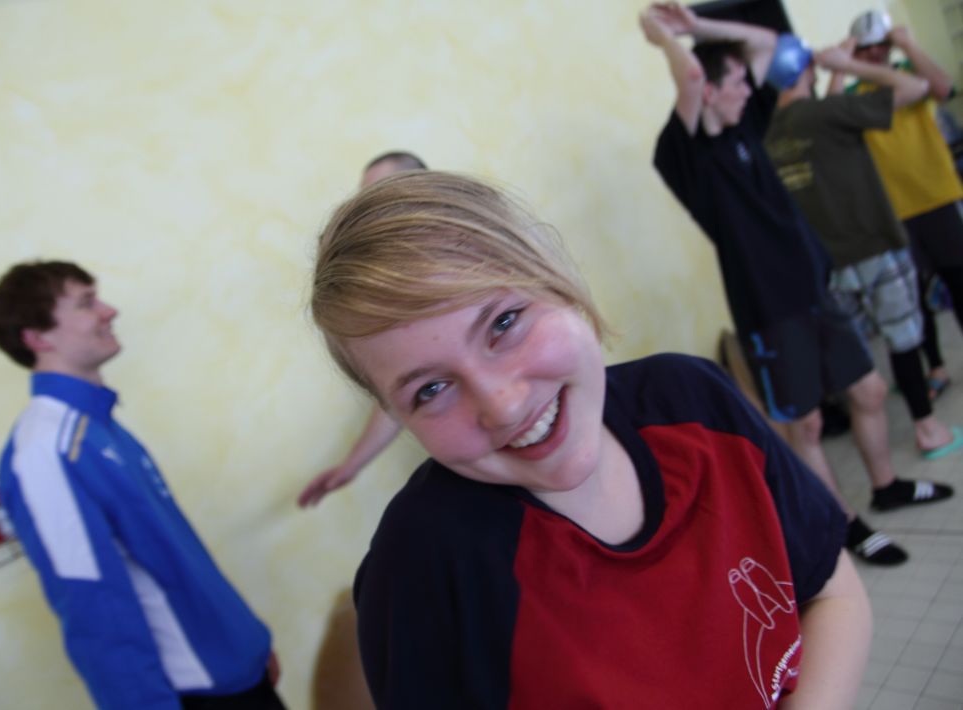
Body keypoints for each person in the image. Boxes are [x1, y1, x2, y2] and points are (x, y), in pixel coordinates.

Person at [310, 170, 871, 708]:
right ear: (396, 416)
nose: (504, 405)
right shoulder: (420, 569)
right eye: (431, 389)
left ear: (558, 279)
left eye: (504, 323)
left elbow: (832, 592)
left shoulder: (696, 402)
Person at [641, 2, 952, 567]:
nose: (747, 87)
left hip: (816, 292)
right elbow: (690, 74)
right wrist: (666, 38)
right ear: (709, 90)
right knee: (805, 424)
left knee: (870, 391)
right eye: (736, 81)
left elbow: (766, 43)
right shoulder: (684, 155)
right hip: (769, 311)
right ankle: (844, 524)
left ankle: (887, 487)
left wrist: (699, 25)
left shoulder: (751, 125)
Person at [0, 261, 285, 710]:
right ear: (38, 337)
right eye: (86, 303)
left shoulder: (94, 426)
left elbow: (172, 557)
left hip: (235, 671)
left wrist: (247, 647)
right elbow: (93, 608)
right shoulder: (45, 453)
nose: (109, 311)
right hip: (195, 694)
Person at [765, 42, 963, 459]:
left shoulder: (773, 137)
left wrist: (835, 73)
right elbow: (913, 87)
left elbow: (826, 121)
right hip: (873, 245)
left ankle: (878, 448)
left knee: (860, 356)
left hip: (830, 264)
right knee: (902, 338)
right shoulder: (825, 114)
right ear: (808, 69)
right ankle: (927, 429)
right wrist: (847, 63)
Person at [845, 10, 963, 402]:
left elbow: (944, 88)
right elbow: (829, 116)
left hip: (938, 197)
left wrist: (909, 45)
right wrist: (845, 61)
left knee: (959, 282)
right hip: (893, 213)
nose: (875, 53)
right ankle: (936, 367)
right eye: (866, 48)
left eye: (881, 45)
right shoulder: (853, 96)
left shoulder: (912, 75)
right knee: (914, 300)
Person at [298, 150, 427, 507]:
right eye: (365, 197)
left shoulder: (473, 245)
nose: (371, 207)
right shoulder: (391, 288)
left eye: (383, 191)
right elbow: (399, 393)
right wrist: (351, 466)